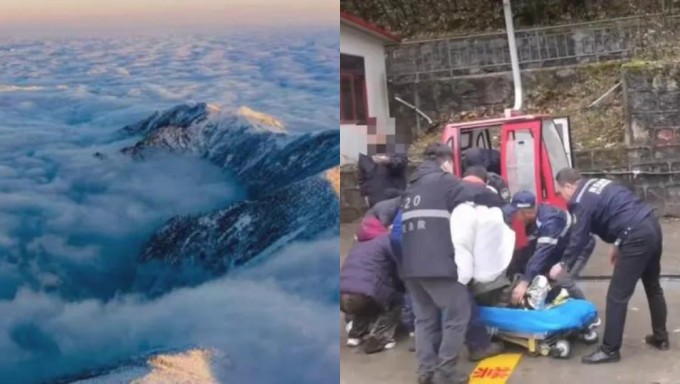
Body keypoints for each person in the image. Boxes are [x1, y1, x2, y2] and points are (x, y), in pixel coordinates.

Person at [550, 168, 669, 364]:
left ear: (569, 186)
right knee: (653, 287)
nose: (562, 197)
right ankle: (661, 337)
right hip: (650, 226)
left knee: (616, 297)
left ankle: (610, 350)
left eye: (560, 191)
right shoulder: (599, 183)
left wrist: (563, 264)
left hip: (635, 237)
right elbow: (622, 209)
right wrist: (617, 243)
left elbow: (579, 238)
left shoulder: (581, 201)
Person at [400, 143, 481, 384]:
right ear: (445, 162)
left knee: (424, 320)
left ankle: (425, 373)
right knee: (458, 314)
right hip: (437, 265)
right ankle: (445, 373)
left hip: (411, 268)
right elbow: (474, 194)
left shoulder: (410, 187)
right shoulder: (445, 181)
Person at [503, 191, 593, 303]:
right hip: (560, 246)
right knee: (531, 267)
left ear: (526, 212)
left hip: (578, 246)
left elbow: (541, 254)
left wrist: (524, 283)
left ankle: (587, 311)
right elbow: (529, 250)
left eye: (515, 213)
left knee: (563, 278)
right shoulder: (534, 218)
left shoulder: (550, 222)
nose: (513, 217)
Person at [340, 234, 404, 354]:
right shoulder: (388, 242)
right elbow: (399, 268)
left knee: (367, 305)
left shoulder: (360, 243)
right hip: (363, 295)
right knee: (395, 301)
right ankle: (379, 339)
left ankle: (355, 335)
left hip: (341, 294)